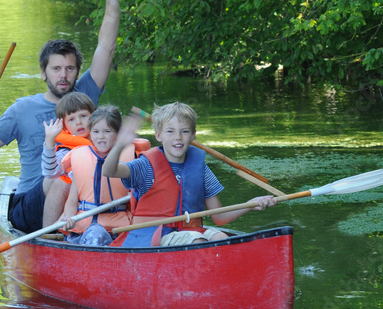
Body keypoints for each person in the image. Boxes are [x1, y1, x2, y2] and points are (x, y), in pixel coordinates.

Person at [0, 0, 120, 233]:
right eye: (56, 69)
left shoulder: (86, 94)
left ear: (77, 72)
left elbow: (106, 47)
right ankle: (53, 238)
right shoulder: (22, 109)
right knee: (59, 177)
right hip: (30, 205)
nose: (64, 75)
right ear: (43, 73)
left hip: (85, 199)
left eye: (70, 68)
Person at [102, 103, 275, 247]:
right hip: (151, 236)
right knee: (197, 242)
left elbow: (219, 217)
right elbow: (109, 171)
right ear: (158, 135)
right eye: (170, 131)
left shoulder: (201, 169)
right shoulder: (145, 166)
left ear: (193, 135)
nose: (178, 137)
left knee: (221, 238)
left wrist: (250, 205)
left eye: (184, 131)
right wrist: (120, 145)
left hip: (190, 232)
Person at [58, 105, 150, 246]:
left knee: (100, 234)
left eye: (107, 131)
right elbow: (72, 200)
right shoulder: (80, 157)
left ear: (118, 134)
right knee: (96, 233)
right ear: (90, 133)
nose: (101, 136)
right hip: (85, 232)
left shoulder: (132, 159)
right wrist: (69, 218)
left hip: (119, 230)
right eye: (96, 131)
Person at [40, 92, 96, 192]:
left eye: (83, 116)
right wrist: (49, 142)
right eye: (71, 119)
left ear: (94, 116)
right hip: (80, 200)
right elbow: (50, 173)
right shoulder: (65, 152)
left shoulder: (106, 140)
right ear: (64, 126)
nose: (78, 122)